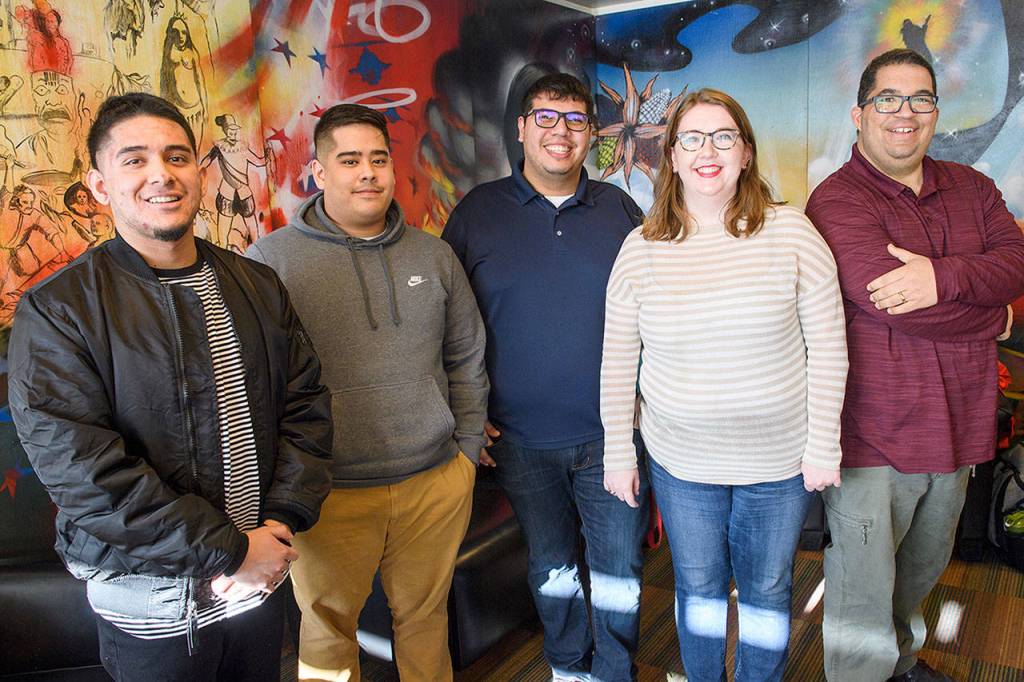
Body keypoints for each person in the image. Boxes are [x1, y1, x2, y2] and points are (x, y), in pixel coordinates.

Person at [6, 92, 334, 682]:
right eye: (134, 159)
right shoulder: (58, 310)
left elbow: (306, 407)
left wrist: (281, 522)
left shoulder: (256, 284)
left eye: (177, 156)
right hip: (153, 608)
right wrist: (230, 551)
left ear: (199, 172)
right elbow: (87, 475)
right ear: (100, 185)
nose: (161, 173)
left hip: (259, 583)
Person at [599, 87, 847, 682]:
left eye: (723, 137)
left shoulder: (793, 232)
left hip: (779, 462)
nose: (707, 150)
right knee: (700, 588)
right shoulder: (641, 249)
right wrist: (616, 450)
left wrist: (823, 445)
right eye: (691, 138)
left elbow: (830, 348)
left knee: (766, 586)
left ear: (745, 154)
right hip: (682, 462)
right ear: (673, 157)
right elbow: (615, 358)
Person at [246, 103, 488, 682]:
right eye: (349, 160)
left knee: (426, 620)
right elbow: (252, 385)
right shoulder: (268, 263)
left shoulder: (434, 255)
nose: (368, 173)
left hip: (433, 480)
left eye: (378, 159)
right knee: (328, 631)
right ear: (318, 172)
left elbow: (466, 357)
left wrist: (467, 450)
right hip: (328, 495)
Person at [806, 48, 1024, 682]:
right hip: (876, 432)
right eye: (888, 100)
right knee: (862, 587)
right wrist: (998, 316)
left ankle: (898, 665)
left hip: (961, 424)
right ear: (859, 113)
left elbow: (1015, 264)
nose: (906, 113)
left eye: (921, 99)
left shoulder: (975, 189)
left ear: (935, 112)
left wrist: (941, 276)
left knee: (925, 567)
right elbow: (891, 303)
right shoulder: (836, 201)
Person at [442, 72, 648, 682]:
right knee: (552, 566)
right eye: (547, 118)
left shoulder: (621, 210)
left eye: (576, 120)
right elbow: (448, 327)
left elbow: (659, 310)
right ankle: (568, 667)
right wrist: (466, 421)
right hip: (520, 441)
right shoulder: (478, 214)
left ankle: (615, 669)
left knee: (620, 570)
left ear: (591, 133)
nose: (562, 132)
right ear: (523, 129)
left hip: (614, 438)